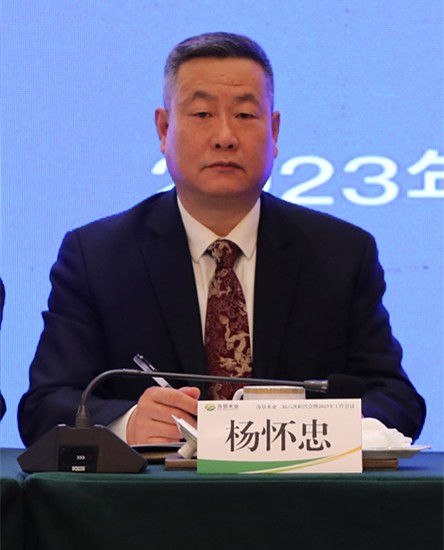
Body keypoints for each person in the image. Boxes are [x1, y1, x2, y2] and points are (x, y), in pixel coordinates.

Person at [18, 32, 425, 447]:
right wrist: (128, 422)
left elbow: (397, 401)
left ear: (274, 131)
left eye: (245, 115)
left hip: (299, 484)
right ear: (163, 129)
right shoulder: (97, 257)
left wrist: (313, 428)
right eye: (202, 114)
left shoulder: (341, 254)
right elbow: (44, 407)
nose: (225, 136)